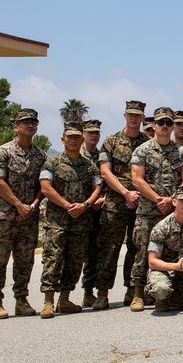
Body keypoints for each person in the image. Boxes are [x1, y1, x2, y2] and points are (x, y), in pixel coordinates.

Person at [0, 108, 46, 319]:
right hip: (5, 217)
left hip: (29, 217)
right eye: (25, 122)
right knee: (0, 260)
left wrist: (34, 204)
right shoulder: (2, 152)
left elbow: (44, 184)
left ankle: (21, 300)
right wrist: (19, 205)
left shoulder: (41, 156)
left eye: (33, 122)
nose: (30, 125)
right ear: (16, 126)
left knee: (25, 261)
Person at [38, 122, 102, 318]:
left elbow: (97, 188)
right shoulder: (52, 162)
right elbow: (46, 188)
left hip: (81, 222)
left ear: (82, 139)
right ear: (63, 139)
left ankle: (64, 299)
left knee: (75, 262)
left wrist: (85, 205)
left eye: (77, 137)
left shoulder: (89, 165)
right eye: (70, 137)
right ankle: (48, 301)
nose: (73, 140)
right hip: (57, 221)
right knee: (53, 259)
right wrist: (67, 205)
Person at [129, 106, 183, 312]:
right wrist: (157, 199)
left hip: (172, 211)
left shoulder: (181, 151)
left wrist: (172, 200)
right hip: (148, 210)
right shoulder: (142, 150)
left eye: (168, 123)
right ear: (153, 125)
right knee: (143, 251)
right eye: (161, 123)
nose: (165, 126)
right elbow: (137, 180)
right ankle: (138, 293)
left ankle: (165, 293)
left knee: (171, 252)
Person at [94, 100, 149, 310]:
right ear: (125, 116)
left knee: (137, 248)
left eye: (138, 115)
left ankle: (133, 291)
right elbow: (105, 172)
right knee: (110, 249)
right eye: (131, 114)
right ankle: (102, 293)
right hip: (116, 203)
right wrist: (126, 192)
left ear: (143, 118)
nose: (134, 118)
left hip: (140, 204)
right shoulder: (111, 141)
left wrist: (137, 194)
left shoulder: (147, 142)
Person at [78, 119, 105, 307]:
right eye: (90, 132)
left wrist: (102, 200)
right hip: (77, 211)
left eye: (96, 132)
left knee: (94, 253)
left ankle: (88, 291)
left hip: (98, 212)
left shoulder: (103, 156)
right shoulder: (74, 154)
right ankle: (61, 295)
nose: (94, 135)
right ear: (83, 134)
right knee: (72, 254)